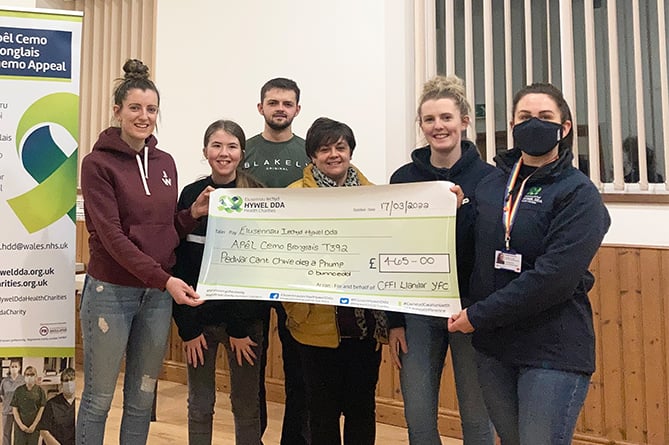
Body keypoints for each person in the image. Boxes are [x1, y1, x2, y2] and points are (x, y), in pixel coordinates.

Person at [448, 83, 611, 445]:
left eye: (545, 117)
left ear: (564, 128)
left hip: (550, 349)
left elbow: (554, 279)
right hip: (493, 348)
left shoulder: (578, 194)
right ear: (512, 125)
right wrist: (455, 212)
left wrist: (478, 315)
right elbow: (470, 253)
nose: (534, 124)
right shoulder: (493, 185)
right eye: (525, 117)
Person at [77, 59, 211, 445]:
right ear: (117, 110)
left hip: (156, 296)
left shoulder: (166, 162)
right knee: (99, 398)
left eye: (151, 109)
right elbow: (113, 237)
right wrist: (166, 278)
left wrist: (191, 215)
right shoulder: (97, 164)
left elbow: (164, 227)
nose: (143, 116)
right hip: (111, 294)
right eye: (135, 108)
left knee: (141, 399)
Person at [386, 75, 495, 445]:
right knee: (418, 418)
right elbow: (392, 248)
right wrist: (394, 320)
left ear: (464, 121)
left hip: (471, 311)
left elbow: (495, 247)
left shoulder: (490, 180)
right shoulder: (403, 179)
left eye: (446, 117)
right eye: (430, 119)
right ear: (421, 125)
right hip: (417, 310)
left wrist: (464, 209)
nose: (438, 126)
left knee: (478, 419)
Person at [283, 117, 388, 445]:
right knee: (321, 410)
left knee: (362, 408)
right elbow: (281, 259)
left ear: (350, 151)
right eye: (324, 149)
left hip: (363, 327)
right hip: (314, 323)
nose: (333, 155)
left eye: (340, 147)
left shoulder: (375, 197)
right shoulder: (293, 197)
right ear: (312, 155)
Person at [172, 119, 267, 444]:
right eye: (216, 145)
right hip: (198, 321)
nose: (223, 153)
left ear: (242, 152)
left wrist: (240, 328)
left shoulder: (256, 193)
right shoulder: (190, 194)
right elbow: (180, 263)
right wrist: (188, 328)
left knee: (245, 405)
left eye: (231, 146)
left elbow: (255, 267)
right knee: (199, 404)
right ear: (205, 151)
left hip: (245, 324)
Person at [244, 77, 310, 445]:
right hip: (250, 272)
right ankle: (253, 436)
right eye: (273, 103)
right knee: (251, 362)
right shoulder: (244, 150)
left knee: (297, 364)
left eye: (287, 103)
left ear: (297, 110)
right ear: (261, 108)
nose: (280, 108)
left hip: (295, 273)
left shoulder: (309, 152)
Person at [39, 367, 76, 445]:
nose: (69, 383)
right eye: (66, 381)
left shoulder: (80, 405)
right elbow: (44, 431)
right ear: (62, 384)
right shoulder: (51, 404)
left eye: (71, 380)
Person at [10, 366, 45, 445]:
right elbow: (14, 409)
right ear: (24, 376)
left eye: (32, 374)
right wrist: (21, 425)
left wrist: (34, 425)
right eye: (27, 374)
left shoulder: (40, 391)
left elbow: (41, 409)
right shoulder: (19, 390)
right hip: (20, 427)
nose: (29, 377)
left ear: (36, 376)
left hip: (34, 427)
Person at [1, 359, 25, 445]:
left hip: (19, 412)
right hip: (7, 411)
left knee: (18, 434)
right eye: (12, 366)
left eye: (16, 366)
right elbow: (2, 394)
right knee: (6, 433)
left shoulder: (23, 380)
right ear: (9, 368)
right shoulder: (5, 381)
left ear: (19, 368)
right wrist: (7, 403)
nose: (14, 368)